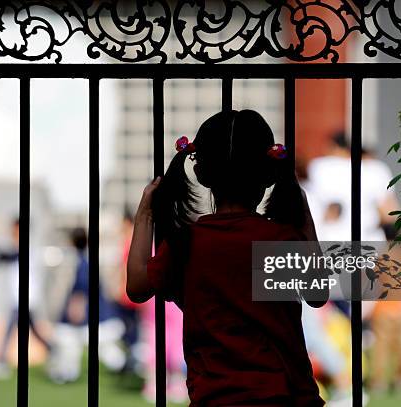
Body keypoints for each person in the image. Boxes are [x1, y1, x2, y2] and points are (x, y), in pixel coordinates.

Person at [127, 110, 327, 406]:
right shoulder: (277, 240)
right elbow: (317, 294)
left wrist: (145, 214)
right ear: (268, 173)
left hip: (217, 397)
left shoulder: (188, 242)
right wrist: (302, 209)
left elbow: (137, 288)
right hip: (286, 395)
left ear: (203, 173)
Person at [0, 218, 50, 368]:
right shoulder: (16, 248)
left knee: (10, 329)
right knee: (33, 330)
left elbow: (11, 256)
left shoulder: (27, 248)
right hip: (17, 298)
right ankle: (53, 351)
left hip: (26, 298)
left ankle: (1, 360)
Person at [47, 227, 89, 384]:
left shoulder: (78, 261)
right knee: (68, 339)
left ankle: (67, 371)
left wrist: (76, 303)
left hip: (72, 305)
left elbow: (80, 285)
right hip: (70, 305)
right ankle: (66, 370)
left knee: (67, 339)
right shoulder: (78, 259)